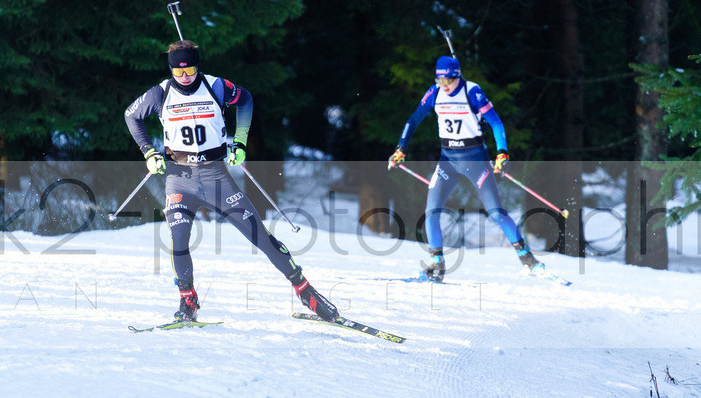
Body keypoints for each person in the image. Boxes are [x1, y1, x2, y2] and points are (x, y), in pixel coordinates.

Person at [124, 40, 339, 322]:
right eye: (178, 72)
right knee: (178, 240)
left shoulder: (215, 86)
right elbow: (131, 115)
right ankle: (188, 300)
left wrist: (239, 141)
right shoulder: (160, 93)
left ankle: (306, 291)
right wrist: (148, 151)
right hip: (180, 179)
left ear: (197, 66)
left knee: (259, 235)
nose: (185, 76)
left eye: (189, 69)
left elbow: (246, 100)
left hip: (216, 177)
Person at [388, 55, 542, 282]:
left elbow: (496, 122)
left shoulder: (473, 92)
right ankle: (437, 265)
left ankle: (528, 259)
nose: (444, 86)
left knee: (495, 212)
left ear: (457, 77)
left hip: (476, 160)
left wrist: (502, 152)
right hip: (447, 161)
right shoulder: (434, 93)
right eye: (440, 81)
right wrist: (400, 148)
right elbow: (412, 121)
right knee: (431, 212)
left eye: (448, 81)